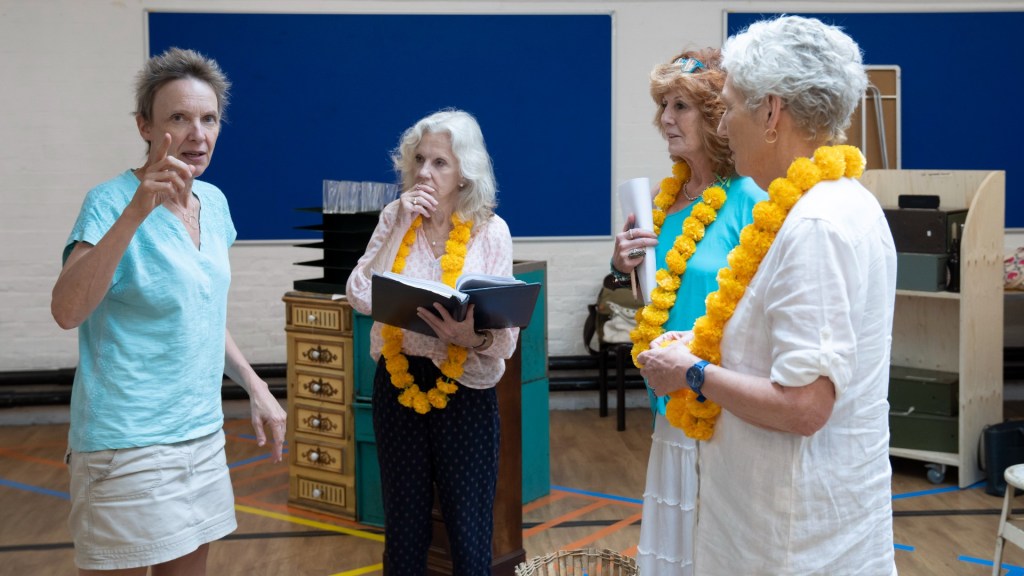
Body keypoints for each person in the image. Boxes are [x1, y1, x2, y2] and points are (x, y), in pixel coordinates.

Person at [639, 15, 897, 575]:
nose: (723, 125)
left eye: (730, 107)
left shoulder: (816, 225)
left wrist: (692, 372)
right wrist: (705, 343)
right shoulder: (841, 201)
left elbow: (804, 406)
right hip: (804, 524)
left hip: (790, 538)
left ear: (772, 113)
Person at [51, 47, 287, 576]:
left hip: (200, 435)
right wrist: (137, 211)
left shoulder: (215, 204)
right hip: (126, 443)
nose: (196, 134)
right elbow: (67, 311)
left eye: (209, 119)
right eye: (178, 118)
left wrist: (256, 386)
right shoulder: (109, 202)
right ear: (145, 126)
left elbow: (201, 317)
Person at [611, 48, 766, 575]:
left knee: (718, 544)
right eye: (663, 106)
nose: (665, 119)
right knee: (675, 542)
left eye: (681, 107)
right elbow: (651, 297)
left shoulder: (749, 199)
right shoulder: (663, 201)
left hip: (722, 403)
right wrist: (623, 266)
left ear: (716, 117)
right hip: (669, 402)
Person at [345, 109, 517, 575]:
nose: (424, 172)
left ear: (464, 172)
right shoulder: (394, 216)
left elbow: (505, 342)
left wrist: (470, 336)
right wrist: (399, 226)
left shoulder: (491, 231)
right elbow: (360, 295)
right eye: (419, 160)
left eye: (439, 162)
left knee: (468, 528)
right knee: (403, 526)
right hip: (398, 386)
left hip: (467, 390)